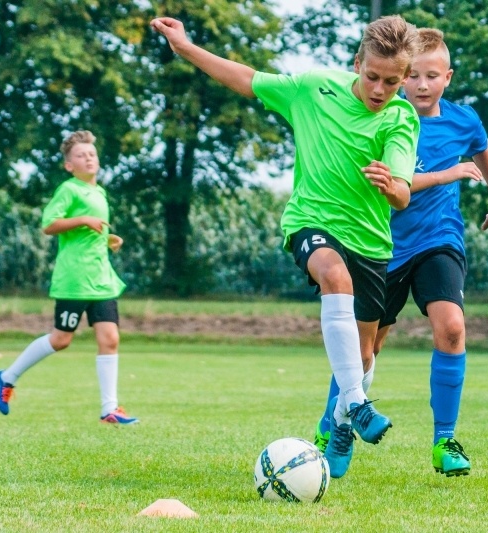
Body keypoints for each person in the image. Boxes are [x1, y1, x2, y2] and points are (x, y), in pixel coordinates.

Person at [150, 15, 420, 478]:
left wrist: (388, 185)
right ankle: (355, 404)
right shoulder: (313, 87)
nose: (379, 89)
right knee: (334, 275)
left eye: (392, 82)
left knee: (365, 355)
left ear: (404, 78)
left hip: (372, 242)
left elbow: (402, 192)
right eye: (372, 76)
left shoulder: (401, 116)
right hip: (310, 223)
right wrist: (187, 48)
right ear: (357, 63)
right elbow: (247, 79)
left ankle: (339, 421)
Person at [314, 28, 488, 477]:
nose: (422, 85)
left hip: (438, 240)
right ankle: (335, 423)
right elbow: (396, 187)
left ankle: (444, 441)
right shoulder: (386, 120)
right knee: (365, 351)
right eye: (414, 77)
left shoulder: (464, 120)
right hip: (380, 245)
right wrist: (446, 174)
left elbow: (483, 152)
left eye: (432, 76)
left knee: (453, 327)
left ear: (447, 77)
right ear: (401, 78)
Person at [0, 130, 138, 425]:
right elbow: (49, 224)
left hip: (100, 279)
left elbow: (88, 234)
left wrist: (108, 238)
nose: (88, 158)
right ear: (69, 165)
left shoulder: (99, 193)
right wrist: (84, 220)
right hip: (75, 279)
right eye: (81, 155)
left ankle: (108, 409)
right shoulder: (69, 190)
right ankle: (7, 377)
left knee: (110, 338)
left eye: (92, 154)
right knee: (61, 340)